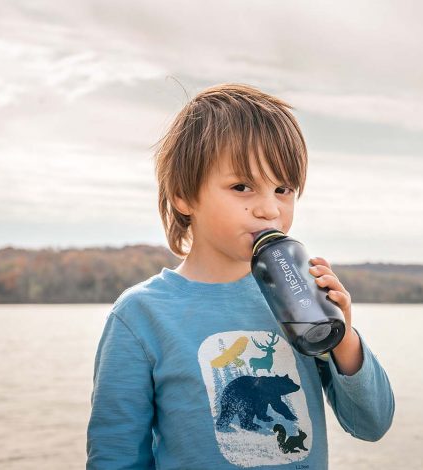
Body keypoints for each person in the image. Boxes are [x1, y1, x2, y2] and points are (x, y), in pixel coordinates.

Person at [86, 83, 394, 469]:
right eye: (242, 187)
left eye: (283, 189)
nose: (268, 209)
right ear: (184, 194)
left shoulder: (299, 299)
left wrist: (343, 337)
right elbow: (115, 455)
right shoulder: (141, 315)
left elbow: (373, 422)